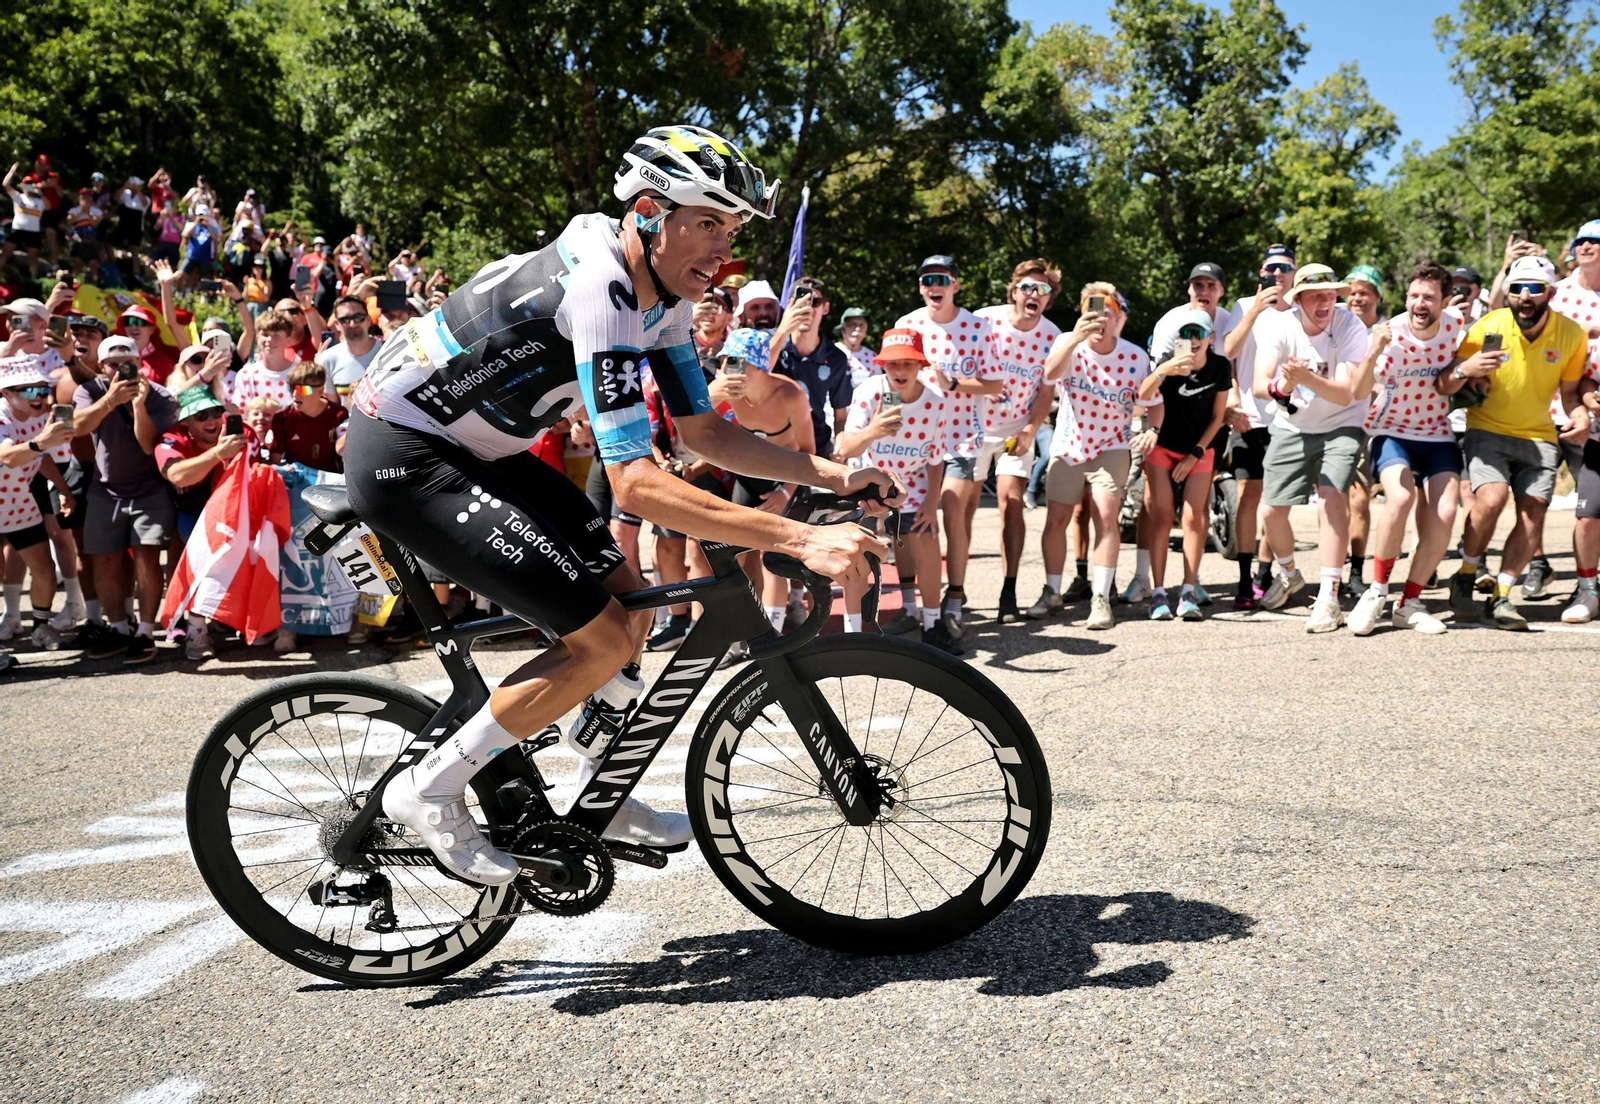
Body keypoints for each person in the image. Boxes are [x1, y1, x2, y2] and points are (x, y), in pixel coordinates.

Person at [343, 124, 897, 883]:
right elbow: (634, 483)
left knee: (636, 601)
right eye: (707, 224)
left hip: (482, 451)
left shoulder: (664, 292)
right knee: (600, 641)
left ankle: (599, 781)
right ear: (646, 212)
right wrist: (797, 541)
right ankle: (428, 789)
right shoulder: (600, 287)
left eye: (729, 231)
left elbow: (703, 433)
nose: (721, 251)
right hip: (407, 457)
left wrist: (832, 476)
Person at [1442, 255, 1591, 629]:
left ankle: (1502, 594)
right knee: (1490, 499)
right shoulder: (1488, 328)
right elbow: (1447, 384)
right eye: (1517, 288)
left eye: (1535, 289)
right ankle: (1467, 570)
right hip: (1487, 427)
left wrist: (1580, 415)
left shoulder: (1571, 335)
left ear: (1551, 293)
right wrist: (1467, 370)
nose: (1525, 296)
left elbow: (1570, 394)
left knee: (1534, 510)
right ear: (1507, 292)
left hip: (1539, 435)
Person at [1252, 264, 1383, 633]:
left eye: (1331, 294)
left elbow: (1345, 393)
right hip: (1292, 424)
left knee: (1331, 499)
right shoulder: (1280, 325)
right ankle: (1290, 573)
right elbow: (1261, 384)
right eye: (1317, 295)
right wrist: (1285, 386)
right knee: (1271, 511)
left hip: (1342, 424)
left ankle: (1329, 595)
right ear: (1299, 298)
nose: (1327, 301)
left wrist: (1305, 377)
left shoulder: (1350, 327)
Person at [1346, 262, 1462, 636]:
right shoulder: (1388, 334)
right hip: (1390, 430)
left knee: (1445, 512)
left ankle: (1408, 601)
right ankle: (1377, 591)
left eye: (1429, 296)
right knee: (1399, 498)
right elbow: (1359, 392)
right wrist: (1372, 351)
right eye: (1414, 295)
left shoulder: (1456, 325)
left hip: (1436, 433)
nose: (1420, 303)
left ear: (1445, 300)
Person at [1033, 283, 1156, 631]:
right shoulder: (1067, 344)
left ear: (1119, 319)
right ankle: (1052, 592)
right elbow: (1050, 373)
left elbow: (1152, 402)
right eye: (1094, 311)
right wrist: (1073, 338)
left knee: (1106, 517)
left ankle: (1101, 599)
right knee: (1056, 518)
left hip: (1112, 446)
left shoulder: (1135, 356)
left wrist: (1151, 430)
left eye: (1109, 313)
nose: (1101, 319)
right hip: (1069, 446)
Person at [894, 254, 999, 639]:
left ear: (955, 284)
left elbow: (994, 386)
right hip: (912, 440)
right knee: (904, 517)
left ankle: (953, 605)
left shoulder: (977, 327)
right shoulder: (907, 324)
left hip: (960, 437)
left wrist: (950, 382)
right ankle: (909, 607)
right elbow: (891, 380)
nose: (932, 286)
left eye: (940, 278)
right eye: (925, 280)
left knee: (951, 512)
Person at [834, 327, 955, 651]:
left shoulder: (935, 402)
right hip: (868, 478)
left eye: (908, 363)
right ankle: (854, 633)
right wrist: (874, 429)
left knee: (926, 535)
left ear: (921, 366)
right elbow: (848, 448)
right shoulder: (870, 391)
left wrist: (931, 502)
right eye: (893, 364)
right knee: (854, 548)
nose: (899, 370)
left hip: (912, 481)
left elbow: (935, 457)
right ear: (883, 365)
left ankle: (931, 624)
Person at [71, 336, 179, 663]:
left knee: (147, 557)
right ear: (101, 368)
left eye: (128, 363)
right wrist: (108, 401)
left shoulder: (159, 396)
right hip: (105, 490)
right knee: (103, 558)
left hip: (149, 489)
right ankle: (118, 628)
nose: (122, 371)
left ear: (140, 362)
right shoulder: (89, 391)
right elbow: (76, 428)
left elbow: (148, 446)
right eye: (114, 366)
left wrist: (137, 406)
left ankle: (145, 632)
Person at [1142, 260, 1238, 605]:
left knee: (1193, 515)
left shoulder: (1220, 366)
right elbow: (1141, 398)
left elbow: (1217, 417)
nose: (1192, 340)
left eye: (1199, 334)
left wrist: (1196, 453)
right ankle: (1156, 591)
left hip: (1199, 449)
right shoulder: (1169, 357)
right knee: (1162, 515)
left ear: (1211, 337)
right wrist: (1164, 369)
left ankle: (1187, 590)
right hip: (1163, 446)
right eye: (1187, 333)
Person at [975, 259, 1061, 622]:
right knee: (960, 509)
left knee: (1012, 503)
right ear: (1013, 291)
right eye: (1027, 287)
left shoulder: (1053, 335)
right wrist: (983, 388)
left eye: (1042, 290)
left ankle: (1008, 593)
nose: (1033, 294)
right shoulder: (983, 320)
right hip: (974, 426)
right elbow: (964, 362)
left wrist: (1030, 429)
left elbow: (1045, 390)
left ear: (1048, 298)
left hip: (1016, 430)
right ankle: (955, 592)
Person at [1223, 245, 1297, 610]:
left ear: (1295, 271)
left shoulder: (1302, 310)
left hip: (1287, 419)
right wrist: (1254, 308)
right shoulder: (1241, 306)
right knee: (1247, 495)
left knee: (1275, 501)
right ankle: (1242, 577)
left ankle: (1265, 575)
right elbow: (1227, 353)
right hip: (1249, 418)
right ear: (1261, 272)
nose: (1278, 274)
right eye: (1271, 268)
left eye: (1285, 267)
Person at [156, 385, 247, 659]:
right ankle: (196, 631)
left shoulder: (237, 432)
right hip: (192, 511)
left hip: (233, 509)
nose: (210, 420)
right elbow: (178, 475)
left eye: (215, 412)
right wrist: (218, 453)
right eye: (201, 415)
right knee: (198, 561)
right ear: (185, 422)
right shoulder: (171, 439)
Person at [0, 356, 75, 648]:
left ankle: (41, 626)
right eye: (29, 390)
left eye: (43, 389)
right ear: (7, 393)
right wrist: (41, 441)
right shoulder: (2, 415)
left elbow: (40, 457)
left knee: (43, 569)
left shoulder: (41, 416)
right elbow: (8, 456)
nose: (40, 396)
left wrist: (64, 490)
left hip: (17, 501)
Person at [1340, 264, 1387, 596]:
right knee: (1335, 501)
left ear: (1377, 297)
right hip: (1332, 422)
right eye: (1352, 292)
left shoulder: (1387, 332)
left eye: (1364, 292)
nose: (1358, 298)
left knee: (1359, 501)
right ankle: (1333, 571)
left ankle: (1356, 571)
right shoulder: (1334, 327)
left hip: (1368, 425)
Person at [771, 276, 851, 457]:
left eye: (815, 301)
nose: (807, 307)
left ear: (826, 308)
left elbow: (841, 415)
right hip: (773, 443)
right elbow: (755, 374)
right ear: (790, 304)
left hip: (816, 446)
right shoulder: (772, 343)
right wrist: (783, 331)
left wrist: (840, 442)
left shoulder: (836, 358)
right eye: (801, 300)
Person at [316, 294, 383, 400]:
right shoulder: (327, 359)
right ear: (337, 324)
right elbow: (334, 408)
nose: (352, 324)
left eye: (358, 317)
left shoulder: (387, 349)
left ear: (368, 320)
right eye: (345, 319)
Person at [231, 309, 300, 409]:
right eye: (265, 334)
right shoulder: (246, 375)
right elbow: (242, 413)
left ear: (288, 339)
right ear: (257, 337)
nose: (269, 340)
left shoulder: (300, 374)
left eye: (276, 335)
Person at [2, 163, 47, 277]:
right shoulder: (18, 197)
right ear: (22, 185)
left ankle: (33, 281)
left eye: (31, 184)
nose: (29, 186)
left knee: (33, 257)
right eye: (27, 184)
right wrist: (12, 171)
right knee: (6, 253)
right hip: (18, 229)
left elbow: (49, 206)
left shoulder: (39, 201)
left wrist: (40, 193)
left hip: (33, 232)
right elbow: (5, 184)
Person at [837, 308, 880, 387]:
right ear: (843, 329)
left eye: (861, 325)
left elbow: (879, 387)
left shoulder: (873, 358)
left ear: (866, 331)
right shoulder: (831, 352)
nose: (857, 329)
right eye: (852, 325)